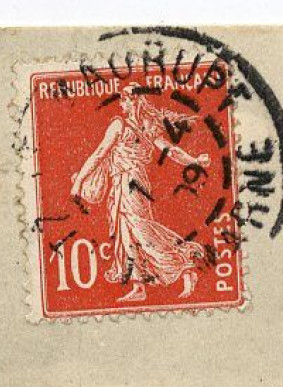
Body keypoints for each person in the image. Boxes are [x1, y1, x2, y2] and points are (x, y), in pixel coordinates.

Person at [69, 86, 211, 302]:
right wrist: (195, 161)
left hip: (130, 183)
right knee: (127, 233)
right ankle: (138, 287)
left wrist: (79, 181)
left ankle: (184, 265)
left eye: (124, 101)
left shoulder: (127, 125)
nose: (121, 105)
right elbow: (170, 151)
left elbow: (99, 154)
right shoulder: (144, 126)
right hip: (126, 183)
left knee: (141, 231)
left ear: (134, 101)